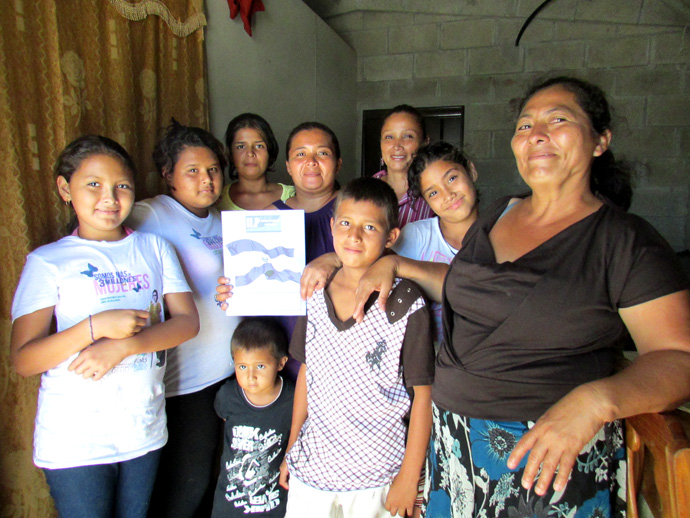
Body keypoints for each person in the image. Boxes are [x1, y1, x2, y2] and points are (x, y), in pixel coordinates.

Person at [302, 77, 690, 518]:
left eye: (558, 119)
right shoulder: (501, 213)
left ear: (600, 140)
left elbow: (679, 357)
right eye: (525, 126)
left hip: (543, 455)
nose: (536, 134)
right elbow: (465, 285)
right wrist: (395, 263)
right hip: (452, 446)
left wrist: (598, 400)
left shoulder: (624, 240)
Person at [10, 135, 199, 518]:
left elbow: (187, 323)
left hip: (144, 429)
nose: (110, 197)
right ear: (65, 188)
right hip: (76, 440)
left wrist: (123, 345)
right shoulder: (48, 262)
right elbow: (24, 361)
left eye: (122, 186)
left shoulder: (154, 248)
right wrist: (94, 328)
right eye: (93, 184)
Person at [279, 177, 435, 518]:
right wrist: (292, 446)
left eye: (369, 227)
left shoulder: (405, 302)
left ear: (391, 237)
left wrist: (410, 476)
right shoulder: (317, 291)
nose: (354, 236)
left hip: (379, 476)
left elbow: (424, 394)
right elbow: (308, 372)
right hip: (313, 469)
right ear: (332, 226)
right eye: (346, 223)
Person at [126, 120, 242, 517]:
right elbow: (106, 246)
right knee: (183, 489)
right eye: (192, 170)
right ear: (167, 174)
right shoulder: (151, 214)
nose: (206, 179)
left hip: (227, 373)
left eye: (212, 169)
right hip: (186, 383)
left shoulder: (221, 219)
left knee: (208, 482)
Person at [392, 141, 479, 344]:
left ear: (471, 170)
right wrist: (330, 261)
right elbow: (372, 266)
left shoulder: (501, 231)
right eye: (433, 193)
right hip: (427, 367)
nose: (448, 195)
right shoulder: (416, 236)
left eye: (452, 178)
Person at [211, 317, 295, 518]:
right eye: (242, 367)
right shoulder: (228, 396)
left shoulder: (292, 400)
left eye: (260, 366)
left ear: (281, 363)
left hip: (273, 507)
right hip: (229, 507)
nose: (251, 376)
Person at [217, 113, 295, 211]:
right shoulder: (216, 199)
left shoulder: (293, 196)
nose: (250, 153)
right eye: (241, 146)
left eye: (259, 146)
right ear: (230, 153)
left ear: (270, 151)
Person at [373, 104, 434, 228]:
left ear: (425, 142)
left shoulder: (435, 191)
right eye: (389, 137)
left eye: (407, 136)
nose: (397, 145)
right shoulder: (365, 189)